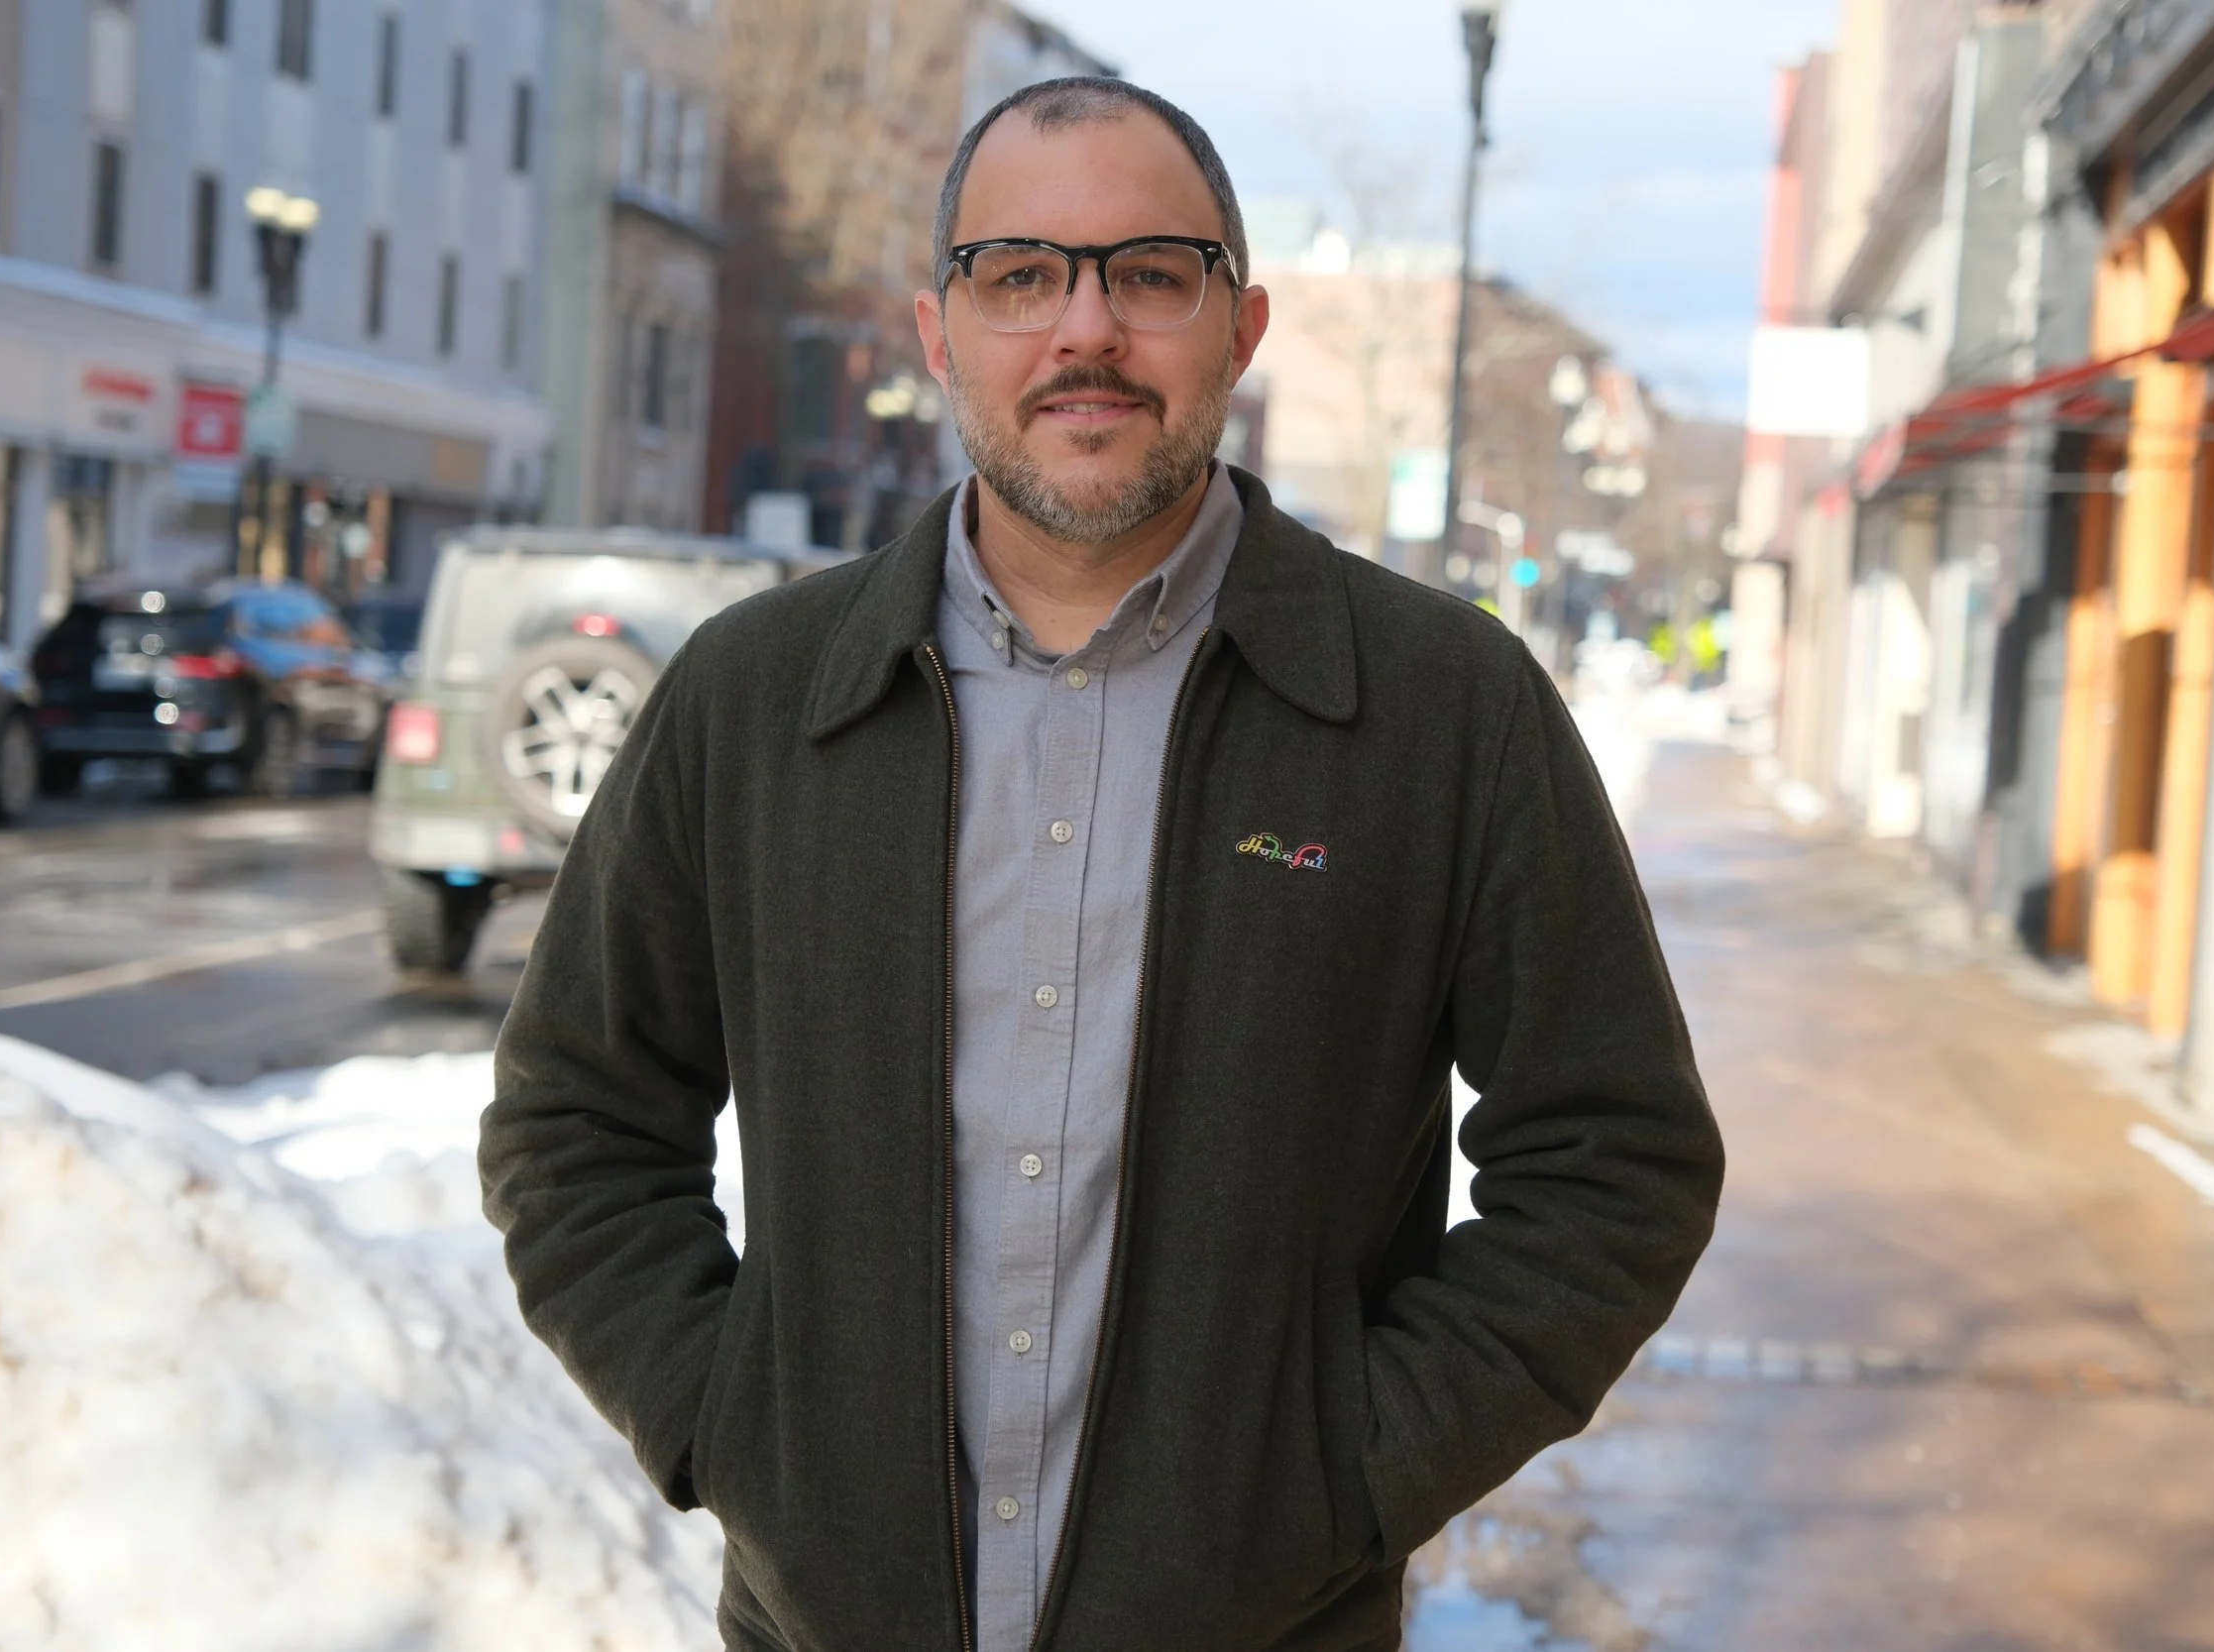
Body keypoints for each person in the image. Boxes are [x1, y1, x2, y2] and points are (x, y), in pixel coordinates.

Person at [479, 76, 1721, 1652]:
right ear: (941, 330)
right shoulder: (752, 700)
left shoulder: (1440, 709)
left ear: (1241, 325)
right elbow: (575, 1121)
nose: (1086, 330)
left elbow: (1618, 1163)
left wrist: (1340, 1476)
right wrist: (741, 1432)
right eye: (1021, 274)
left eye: (1150, 273)